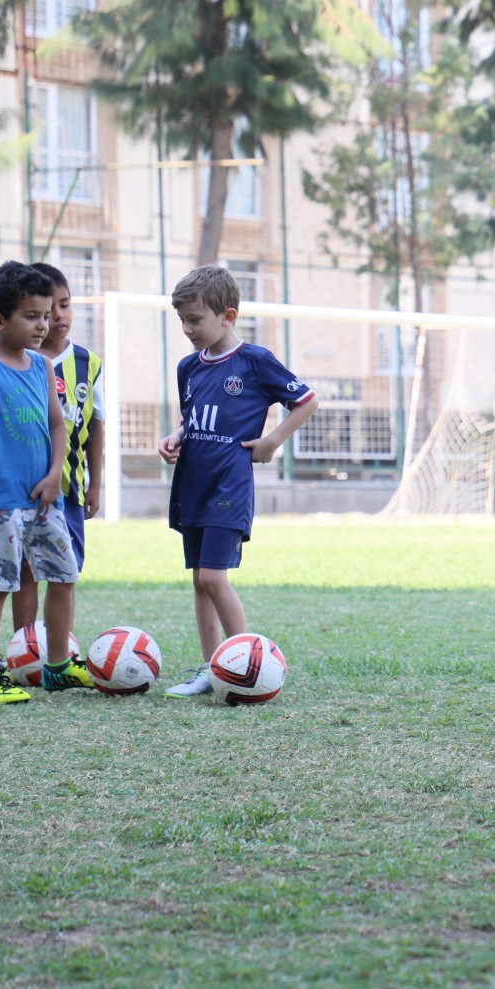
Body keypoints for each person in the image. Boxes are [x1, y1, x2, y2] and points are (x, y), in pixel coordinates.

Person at [157, 265, 318, 698]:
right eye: (183, 320)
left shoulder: (255, 361)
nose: (188, 328)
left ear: (227, 316)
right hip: (193, 483)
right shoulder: (188, 367)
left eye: (196, 319)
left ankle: (248, 666)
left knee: (213, 578)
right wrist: (175, 437)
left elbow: (306, 401)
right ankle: (213, 670)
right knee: (199, 578)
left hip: (229, 487)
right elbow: (192, 419)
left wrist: (271, 442)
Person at [0, 261, 92, 703]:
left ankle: (57, 666)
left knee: (64, 576)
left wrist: (55, 475)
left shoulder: (42, 367)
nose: (44, 324)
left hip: (44, 500)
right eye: (32, 316)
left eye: (47, 315)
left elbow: (58, 427)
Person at [12, 263, 103, 631]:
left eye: (65, 305)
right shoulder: (15, 361)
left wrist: (96, 483)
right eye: (48, 312)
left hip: (69, 490)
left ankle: (59, 647)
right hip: (20, 488)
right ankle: (25, 645)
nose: (58, 317)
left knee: (65, 571)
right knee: (25, 570)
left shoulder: (88, 363)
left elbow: (96, 424)